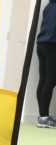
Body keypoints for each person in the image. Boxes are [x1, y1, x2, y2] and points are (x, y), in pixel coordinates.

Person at [36, 0, 56, 128]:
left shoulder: (49, 6)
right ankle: (44, 117)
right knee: (50, 81)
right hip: (53, 45)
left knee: (43, 80)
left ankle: (42, 116)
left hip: (41, 44)